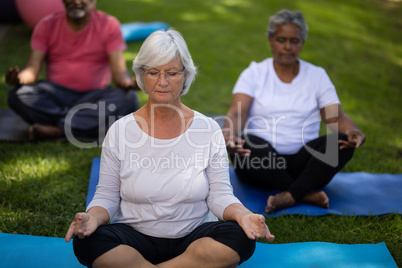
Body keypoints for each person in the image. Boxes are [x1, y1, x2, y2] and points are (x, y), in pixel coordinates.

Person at [65, 29, 275, 268]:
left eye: (172, 73)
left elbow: (220, 195)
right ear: (142, 75)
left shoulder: (208, 130)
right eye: (154, 72)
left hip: (193, 235)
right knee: (88, 241)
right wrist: (92, 217)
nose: (163, 81)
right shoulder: (120, 131)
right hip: (134, 238)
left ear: (185, 75)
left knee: (239, 237)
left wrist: (244, 215)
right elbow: (107, 196)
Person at [223, 9, 366, 214]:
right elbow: (237, 113)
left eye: (295, 41)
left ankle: (289, 195)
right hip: (261, 160)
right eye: (281, 39)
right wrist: (228, 136)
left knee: (341, 144)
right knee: (244, 145)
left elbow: (336, 116)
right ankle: (304, 193)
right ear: (271, 40)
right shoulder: (254, 73)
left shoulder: (317, 76)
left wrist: (353, 131)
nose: (288, 47)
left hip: (304, 161)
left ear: (302, 42)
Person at [6, 0, 139, 141]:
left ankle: (58, 130)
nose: (76, 1)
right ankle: (86, 125)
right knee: (17, 94)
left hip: (95, 97)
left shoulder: (109, 25)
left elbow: (120, 73)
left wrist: (129, 83)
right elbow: (32, 68)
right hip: (56, 97)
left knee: (128, 98)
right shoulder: (46, 25)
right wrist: (19, 79)